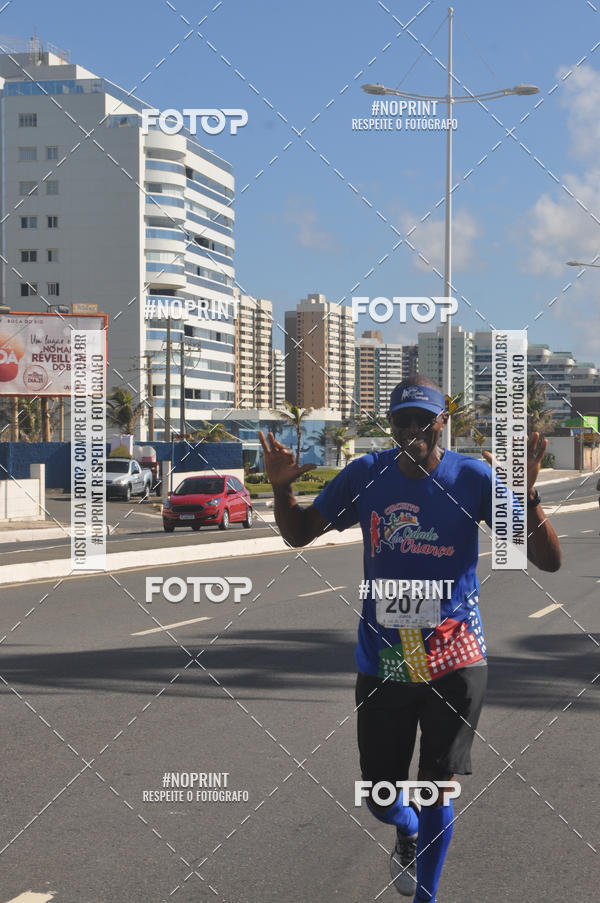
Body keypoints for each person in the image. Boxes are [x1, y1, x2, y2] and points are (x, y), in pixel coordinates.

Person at [259, 375, 561, 902]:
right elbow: (300, 533)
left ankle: (427, 896)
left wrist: (527, 494)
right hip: (387, 660)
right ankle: (405, 828)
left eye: (425, 419)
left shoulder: (473, 477)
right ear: (391, 426)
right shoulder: (364, 476)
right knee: (381, 794)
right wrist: (282, 489)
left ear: (442, 421)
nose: (414, 430)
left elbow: (548, 560)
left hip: (456, 653)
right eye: (403, 420)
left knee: (436, 786)